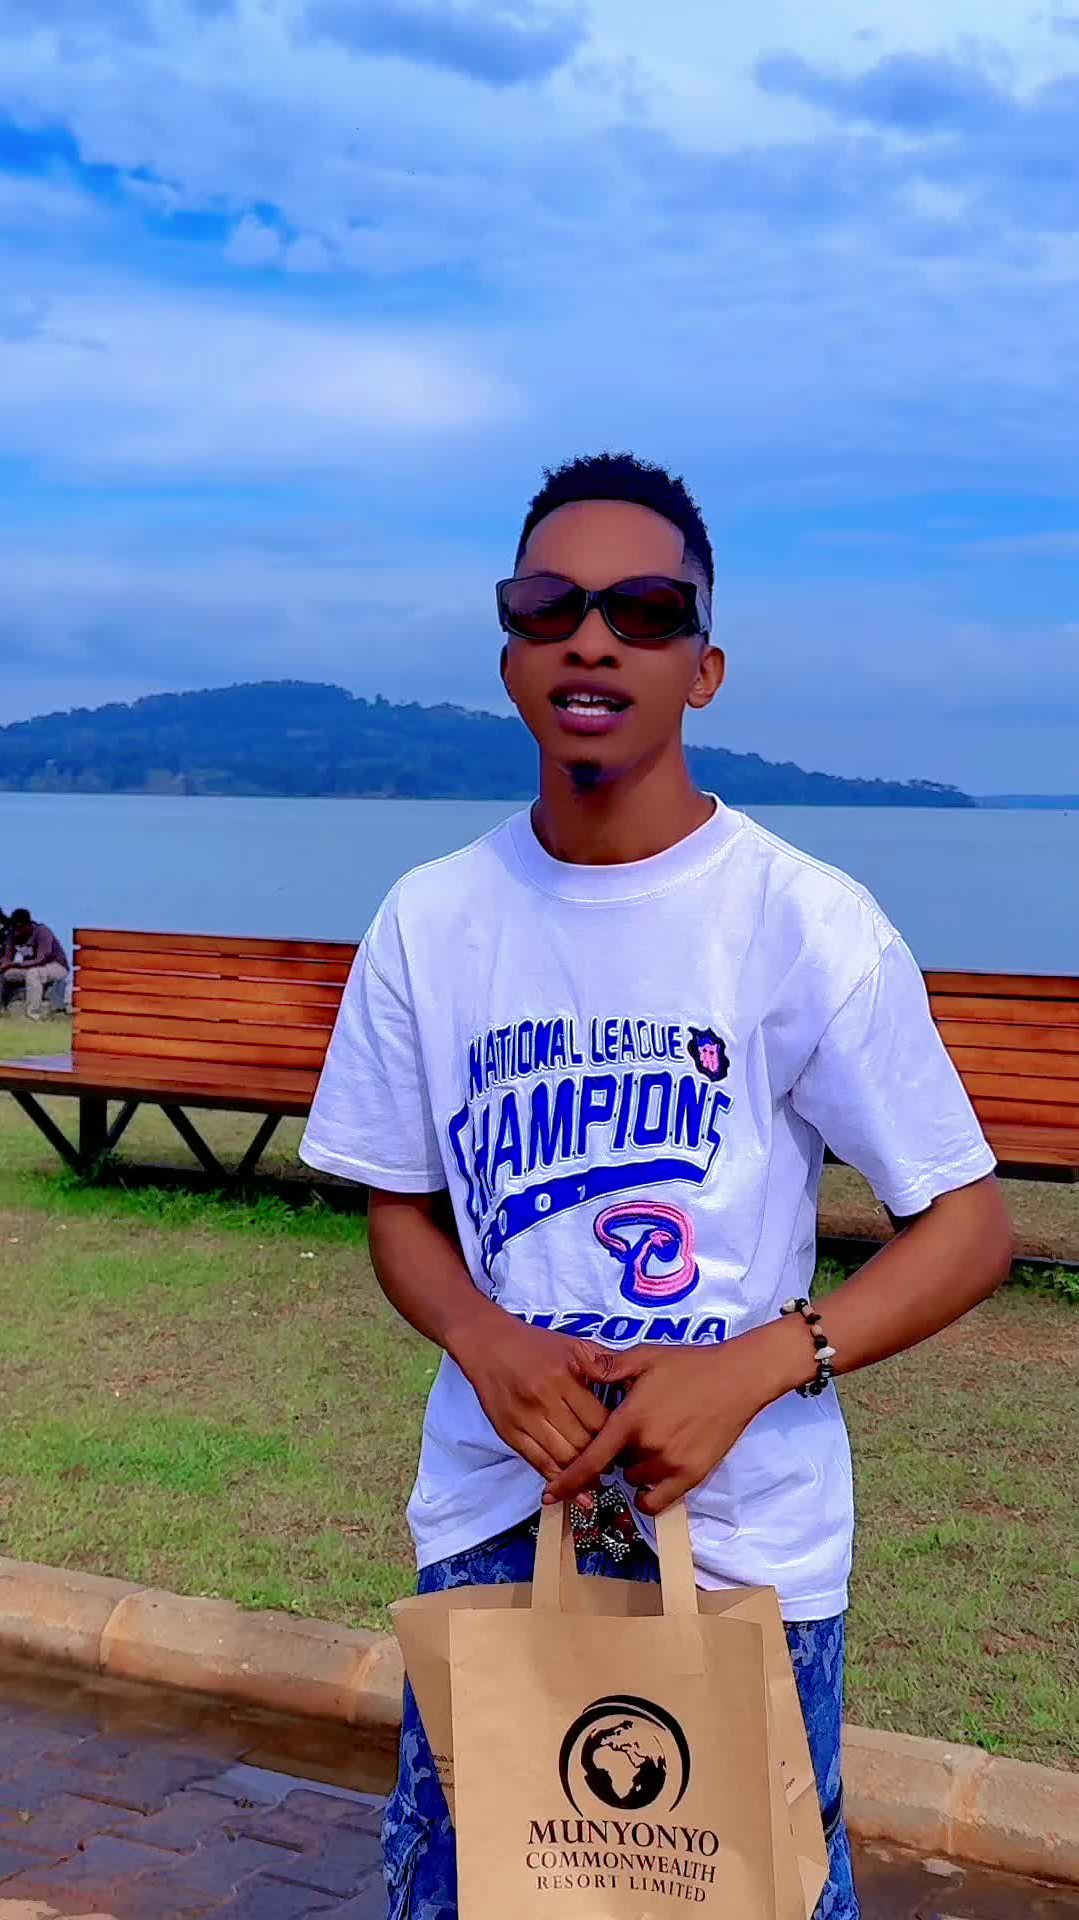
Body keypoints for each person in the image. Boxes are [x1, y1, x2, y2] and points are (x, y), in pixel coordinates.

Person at [300, 452, 1012, 1920]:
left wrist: (753, 1369)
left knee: (742, 1894)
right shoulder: (431, 921)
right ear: (508, 650)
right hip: (497, 1513)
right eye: (548, 605)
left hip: (741, 1538)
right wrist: (484, 1340)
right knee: (477, 1891)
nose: (592, 639)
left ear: (705, 667)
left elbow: (967, 1227)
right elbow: (398, 1206)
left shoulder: (803, 923)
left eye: (644, 609)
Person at [0, 909, 70, 1019]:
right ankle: (3, 1007)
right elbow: (8, 958)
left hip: (56, 966)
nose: (17, 931)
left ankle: (33, 1015)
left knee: (33, 974)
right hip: (32, 967)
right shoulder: (12, 935)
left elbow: (41, 959)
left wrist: (14, 964)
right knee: (6, 974)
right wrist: (3, 965)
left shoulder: (42, 932)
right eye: (14, 928)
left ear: (28, 925)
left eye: (19, 927)